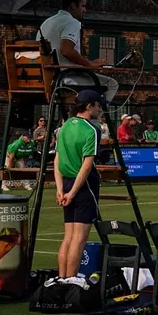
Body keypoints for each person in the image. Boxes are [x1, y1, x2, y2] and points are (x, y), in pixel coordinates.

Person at [50, 89, 107, 289]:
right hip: (83, 185)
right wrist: (73, 192)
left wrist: (60, 189)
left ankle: (62, 278)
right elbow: (86, 165)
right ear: (90, 106)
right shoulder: (92, 129)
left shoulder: (64, 127)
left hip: (64, 182)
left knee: (68, 235)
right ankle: (71, 280)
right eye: (98, 105)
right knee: (79, 237)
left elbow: (57, 159)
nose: (100, 109)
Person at [38, 0, 119, 101]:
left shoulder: (46, 23)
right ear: (72, 6)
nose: (85, 10)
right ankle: (93, 119)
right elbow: (66, 50)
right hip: (65, 77)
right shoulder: (72, 22)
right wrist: (89, 64)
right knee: (112, 84)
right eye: (83, 6)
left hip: (45, 78)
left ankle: (74, 117)